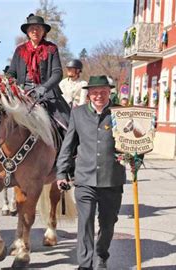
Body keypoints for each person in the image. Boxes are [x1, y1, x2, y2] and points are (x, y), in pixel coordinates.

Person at [56, 75, 126, 270]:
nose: (99, 96)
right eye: (95, 92)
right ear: (89, 94)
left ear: (109, 92)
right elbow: (68, 146)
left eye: (103, 92)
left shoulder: (120, 113)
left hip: (112, 180)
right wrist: (61, 173)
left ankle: (101, 255)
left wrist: (135, 158)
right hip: (85, 179)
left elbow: (134, 142)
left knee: (107, 224)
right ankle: (85, 264)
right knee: (85, 224)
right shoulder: (77, 114)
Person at [7, 13, 71, 132]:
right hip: (23, 94)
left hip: (47, 94)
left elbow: (57, 73)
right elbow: (11, 72)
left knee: (68, 125)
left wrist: (44, 88)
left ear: (43, 32)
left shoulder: (51, 48)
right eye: (32, 28)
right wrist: (10, 82)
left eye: (38, 28)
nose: (35, 31)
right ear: (27, 32)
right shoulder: (20, 50)